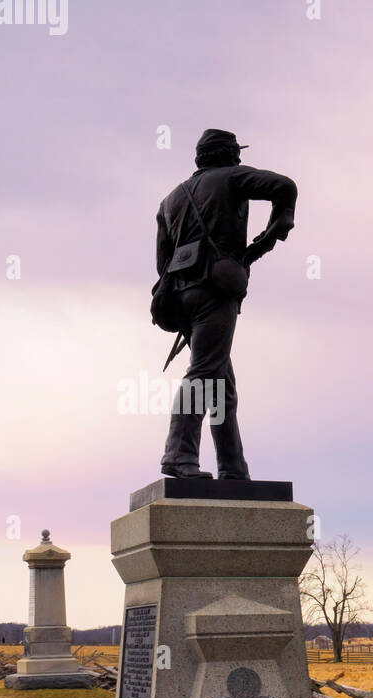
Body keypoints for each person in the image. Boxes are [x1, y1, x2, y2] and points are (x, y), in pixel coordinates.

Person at [155, 128, 297, 479]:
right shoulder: (232, 178)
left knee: (222, 386)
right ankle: (179, 454)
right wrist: (271, 234)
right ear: (230, 156)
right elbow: (285, 186)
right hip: (214, 290)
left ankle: (232, 468)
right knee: (204, 374)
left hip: (180, 295)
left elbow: (162, 262)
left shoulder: (170, 199)